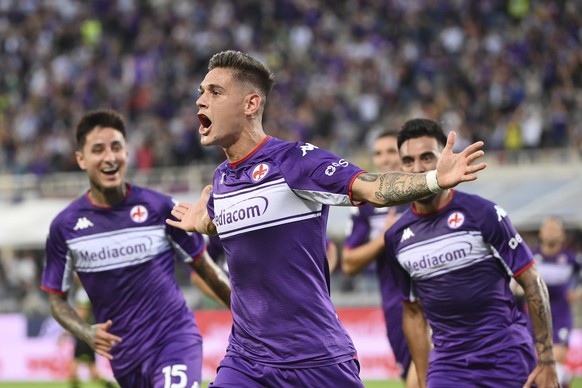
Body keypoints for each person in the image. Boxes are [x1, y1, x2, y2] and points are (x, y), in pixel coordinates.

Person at [165, 50, 486, 387]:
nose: (201, 101)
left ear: (250, 104)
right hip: (246, 359)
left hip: (315, 357)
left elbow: (372, 188)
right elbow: (225, 220)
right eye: (201, 91)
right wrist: (203, 221)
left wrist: (433, 180)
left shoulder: (296, 162)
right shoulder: (222, 180)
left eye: (215, 92)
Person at [41, 109, 231, 388]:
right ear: (81, 159)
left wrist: (246, 315)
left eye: (116, 147)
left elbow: (205, 268)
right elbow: (57, 298)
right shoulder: (65, 226)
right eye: (98, 150)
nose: (109, 157)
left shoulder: (159, 207)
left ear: (127, 153)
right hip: (124, 358)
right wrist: (85, 332)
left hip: (174, 339)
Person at [383, 118, 558, 387]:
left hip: (505, 355)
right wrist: (422, 377)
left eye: (427, 157)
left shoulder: (483, 214)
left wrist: (546, 361)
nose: (417, 168)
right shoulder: (396, 237)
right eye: (408, 161)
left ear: (445, 158)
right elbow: (413, 312)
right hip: (448, 365)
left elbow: (532, 281)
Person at [342, 130, 418, 388]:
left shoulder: (425, 196)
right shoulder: (367, 207)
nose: (384, 159)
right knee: (412, 375)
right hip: (397, 307)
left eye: (391, 152)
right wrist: (383, 237)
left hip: (436, 300)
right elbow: (349, 262)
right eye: (378, 153)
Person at [532, 216, 582, 387]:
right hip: (534, 319)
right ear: (541, 232)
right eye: (548, 228)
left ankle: (562, 379)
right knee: (535, 366)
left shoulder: (570, 259)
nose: (551, 232)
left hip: (560, 317)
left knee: (554, 362)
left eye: (555, 229)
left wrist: (577, 292)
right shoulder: (530, 257)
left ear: (562, 235)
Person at [61, 280, 114, 388]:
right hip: (89, 331)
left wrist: (70, 329)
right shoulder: (89, 290)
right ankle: (109, 385)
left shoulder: (83, 292)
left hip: (83, 333)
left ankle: (109, 385)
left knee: (74, 371)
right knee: (93, 373)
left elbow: (82, 313)